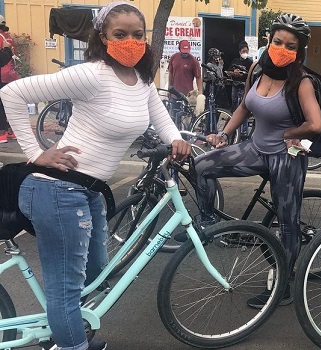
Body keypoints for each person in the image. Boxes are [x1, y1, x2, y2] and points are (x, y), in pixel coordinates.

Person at [0, 2, 191, 349]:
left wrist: (176, 138)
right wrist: (36, 153)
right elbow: (12, 92)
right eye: (120, 34)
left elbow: (159, 116)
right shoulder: (91, 74)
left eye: (138, 35)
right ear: (103, 37)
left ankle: (64, 329)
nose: (130, 41)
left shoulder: (141, 79)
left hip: (89, 191)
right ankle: (71, 344)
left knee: (96, 274)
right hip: (57, 190)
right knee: (67, 287)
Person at [193, 13, 321, 309]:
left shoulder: (301, 82)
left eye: (290, 46)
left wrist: (291, 132)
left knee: (287, 224)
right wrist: (223, 135)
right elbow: (243, 108)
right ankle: (209, 224)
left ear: (299, 51)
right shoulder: (256, 70)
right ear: (269, 41)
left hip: (285, 158)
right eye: (278, 42)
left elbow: (315, 124)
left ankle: (284, 286)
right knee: (201, 166)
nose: (282, 49)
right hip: (254, 149)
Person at [0, 15, 16, 143]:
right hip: (11, 74)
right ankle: (11, 131)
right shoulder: (8, 36)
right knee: (8, 103)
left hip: (3, 74)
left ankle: (2, 133)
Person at [225, 40, 253, 109]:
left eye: (246, 51)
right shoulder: (235, 61)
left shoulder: (250, 62)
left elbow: (251, 75)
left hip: (244, 86)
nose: (245, 53)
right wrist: (234, 72)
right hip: (235, 85)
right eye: (243, 51)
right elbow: (228, 72)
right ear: (239, 52)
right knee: (234, 103)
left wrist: (242, 75)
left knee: (243, 105)